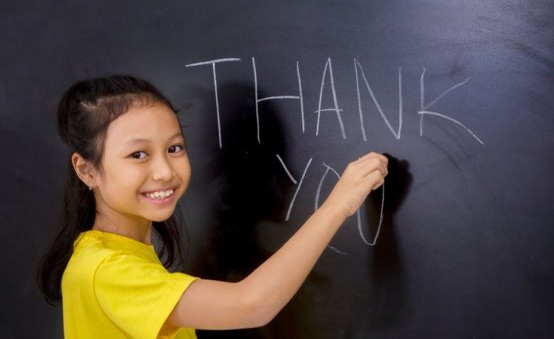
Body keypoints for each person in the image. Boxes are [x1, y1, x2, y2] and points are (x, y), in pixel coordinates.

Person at [36, 75, 389, 338]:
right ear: (87, 170)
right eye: (138, 154)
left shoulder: (121, 254)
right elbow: (250, 305)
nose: (164, 171)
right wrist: (339, 204)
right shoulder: (106, 270)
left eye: (174, 148)